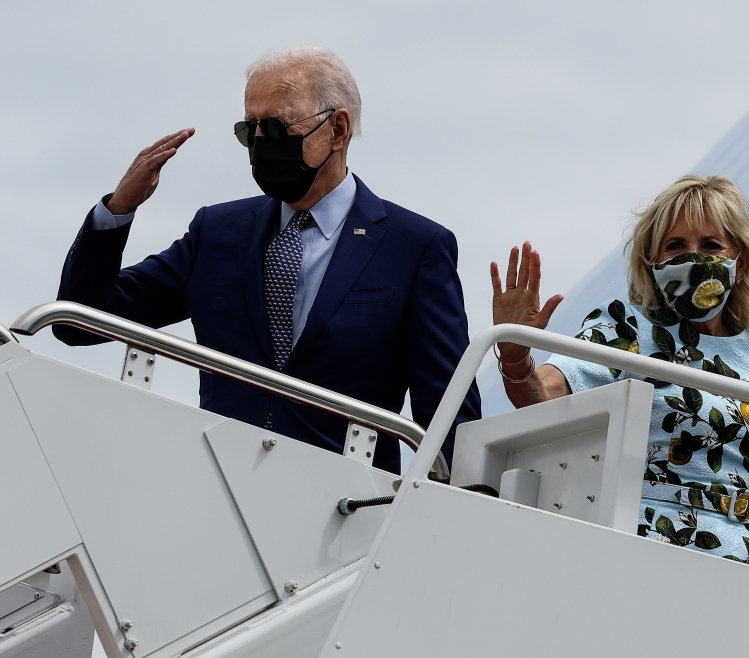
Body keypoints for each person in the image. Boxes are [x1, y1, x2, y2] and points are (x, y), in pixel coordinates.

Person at [55, 47, 480, 474]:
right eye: (249, 128)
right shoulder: (217, 232)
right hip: (217, 489)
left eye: (276, 126)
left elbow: (447, 414)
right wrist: (117, 211)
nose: (260, 142)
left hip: (349, 512)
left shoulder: (415, 247)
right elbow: (80, 323)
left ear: (337, 129)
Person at [490, 175, 749, 574]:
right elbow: (540, 393)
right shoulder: (626, 327)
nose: (693, 258)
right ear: (652, 266)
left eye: (710, 245)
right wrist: (514, 353)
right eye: (675, 246)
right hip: (642, 561)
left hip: (741, 575)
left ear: (740, 262)